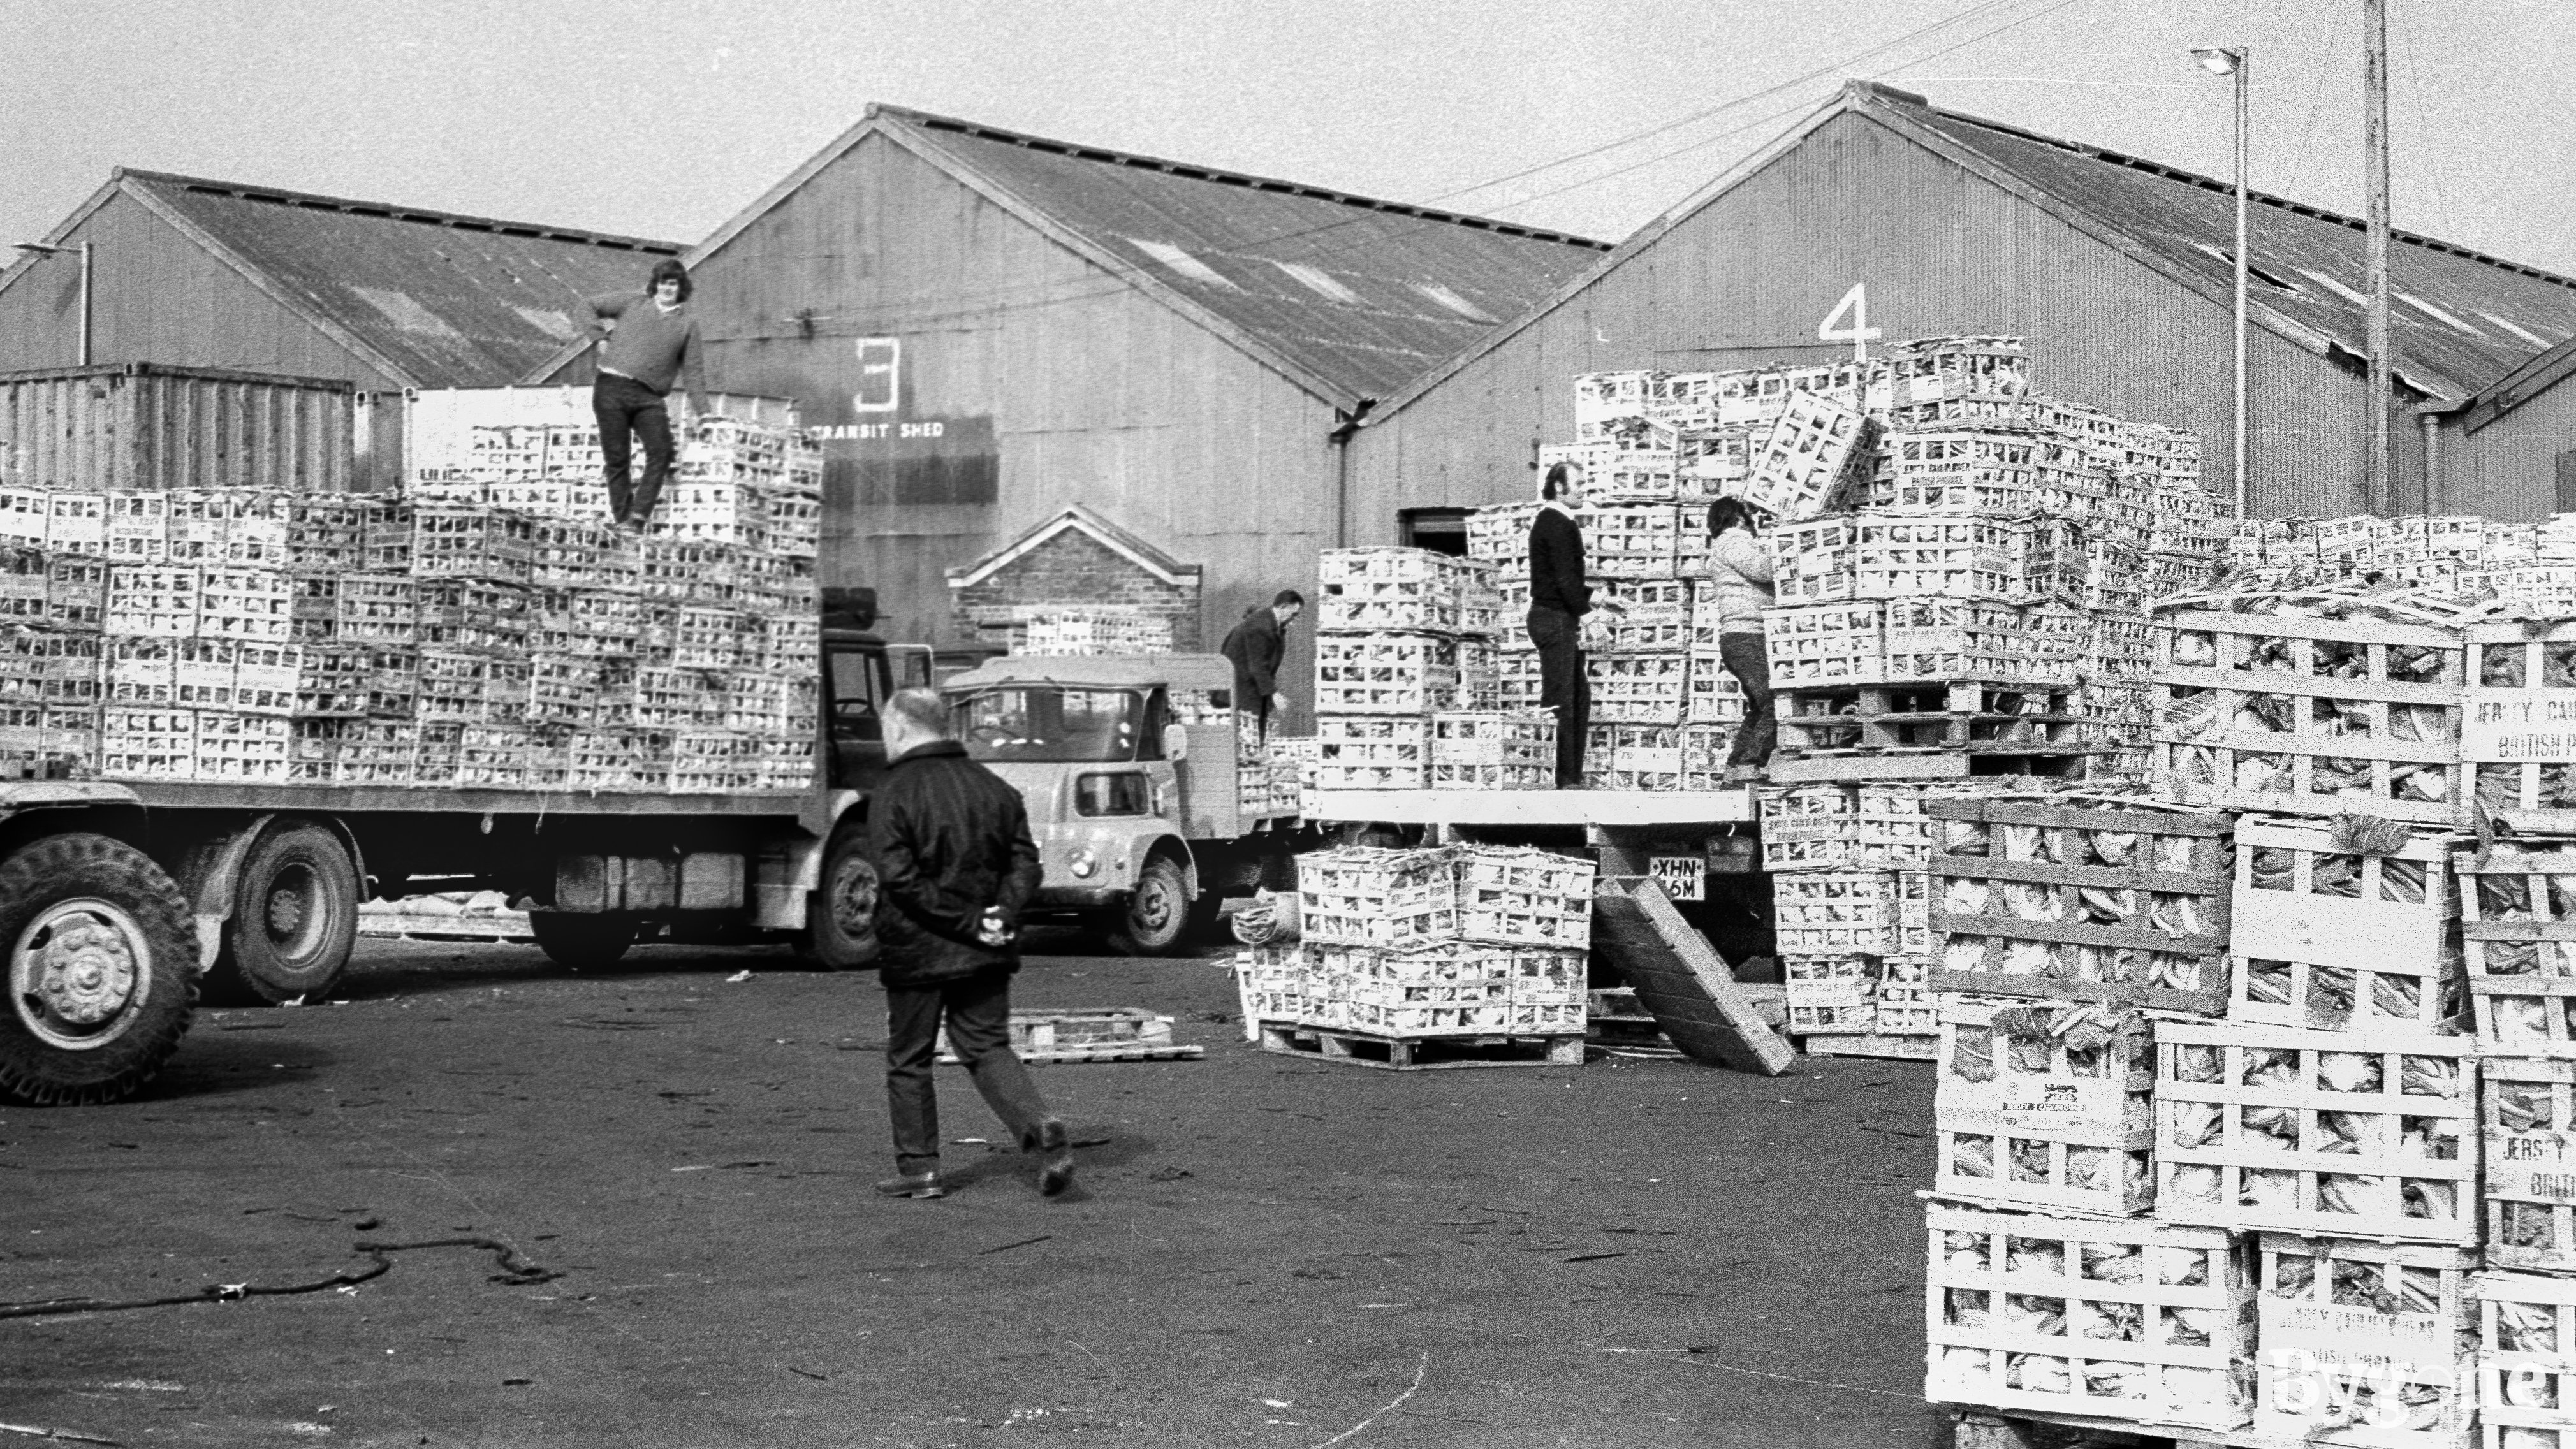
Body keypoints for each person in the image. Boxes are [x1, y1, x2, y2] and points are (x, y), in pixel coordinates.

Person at [867, 688, 1072, 1201]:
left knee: (909, 1057)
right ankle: (1038, 1121)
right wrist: (998, 915)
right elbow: (1027, 865)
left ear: (900, 726)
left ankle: (921, 1170)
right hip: (987, 948)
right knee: (985, 1045)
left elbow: (900, 879)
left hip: (918, 950)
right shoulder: (996, 788)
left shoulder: (892, 791)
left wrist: (968, 921)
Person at [586, 259, 708, 530]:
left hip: (649, 397)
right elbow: (587, 306)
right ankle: (622, 521)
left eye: (673, 283)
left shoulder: (687, 324)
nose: (667, 288)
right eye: (663, 282)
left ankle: (638, 517)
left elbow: (694, 373)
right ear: (656, 284)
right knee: (617, 458)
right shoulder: (634, 303)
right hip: (611, 389)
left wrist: (705, 414)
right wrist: (600, 338)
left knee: (661, 451)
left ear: (681, 287)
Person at [1526, 462, 1618, 787]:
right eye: (1578, 483)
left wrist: (1597, 598)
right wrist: (1590, 616)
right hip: (1554, 619)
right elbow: (1564, 582)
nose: (1584, 489)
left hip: (1556, 616)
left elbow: (1558, 578)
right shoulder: (1558, 523)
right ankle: (1560, 779)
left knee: (1578, 698)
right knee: (1561, 700)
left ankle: (1570, 776)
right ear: (1559, 488)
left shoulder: (1555, 521)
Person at [1706, 497, 1778, 784]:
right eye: (1749, 515)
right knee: (1773, 701)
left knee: (1761, 705)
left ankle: (1735, 768)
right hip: (1747, 634)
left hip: (1740, 635)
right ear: (1737, 518)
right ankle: (1749, 764)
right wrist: (1786, 547)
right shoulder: (1734, 541)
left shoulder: (1724, 545)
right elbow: (1765, 570)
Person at [1220, 590, 1304, 738]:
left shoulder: (1271, 623)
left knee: (1253, 732)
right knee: (1248, 734)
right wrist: (1274, 694)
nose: (1294, 620)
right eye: (1294, 614)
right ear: (1283, 606)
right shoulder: (1260, 626)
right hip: (1243, 688)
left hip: (1249, 687)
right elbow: (1258, 665)